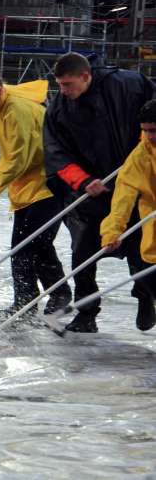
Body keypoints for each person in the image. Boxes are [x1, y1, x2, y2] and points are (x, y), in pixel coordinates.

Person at [46, 52, 156, 332]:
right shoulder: (60, 107)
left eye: (68, 84)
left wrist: (145, 148)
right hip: (93, 190)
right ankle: (86, 313)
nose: (64, 91)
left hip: (135, 178)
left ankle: (145, 298)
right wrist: (82, 181)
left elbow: (152, 113)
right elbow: (55, 149)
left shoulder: (127, 84)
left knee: (141, 251)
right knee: (83, 252)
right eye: (60, 84)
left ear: (85, 76)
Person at [0, 66, 72, 315]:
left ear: (0, 90)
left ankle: (59, 294)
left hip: (49, 183)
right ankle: (26, 301)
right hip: (26, 188)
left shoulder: (16, 111)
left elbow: (18, 159)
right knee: (23, 246)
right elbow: (8, 156)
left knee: (34, 243)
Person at [101, 99, 156, 331]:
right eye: (145, 130)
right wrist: (112, 231)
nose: (149, 136)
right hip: (152, 228)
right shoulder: (141, 154)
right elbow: (123, 196)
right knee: (148, 274)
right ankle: (147, 301)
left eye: (153, 131)